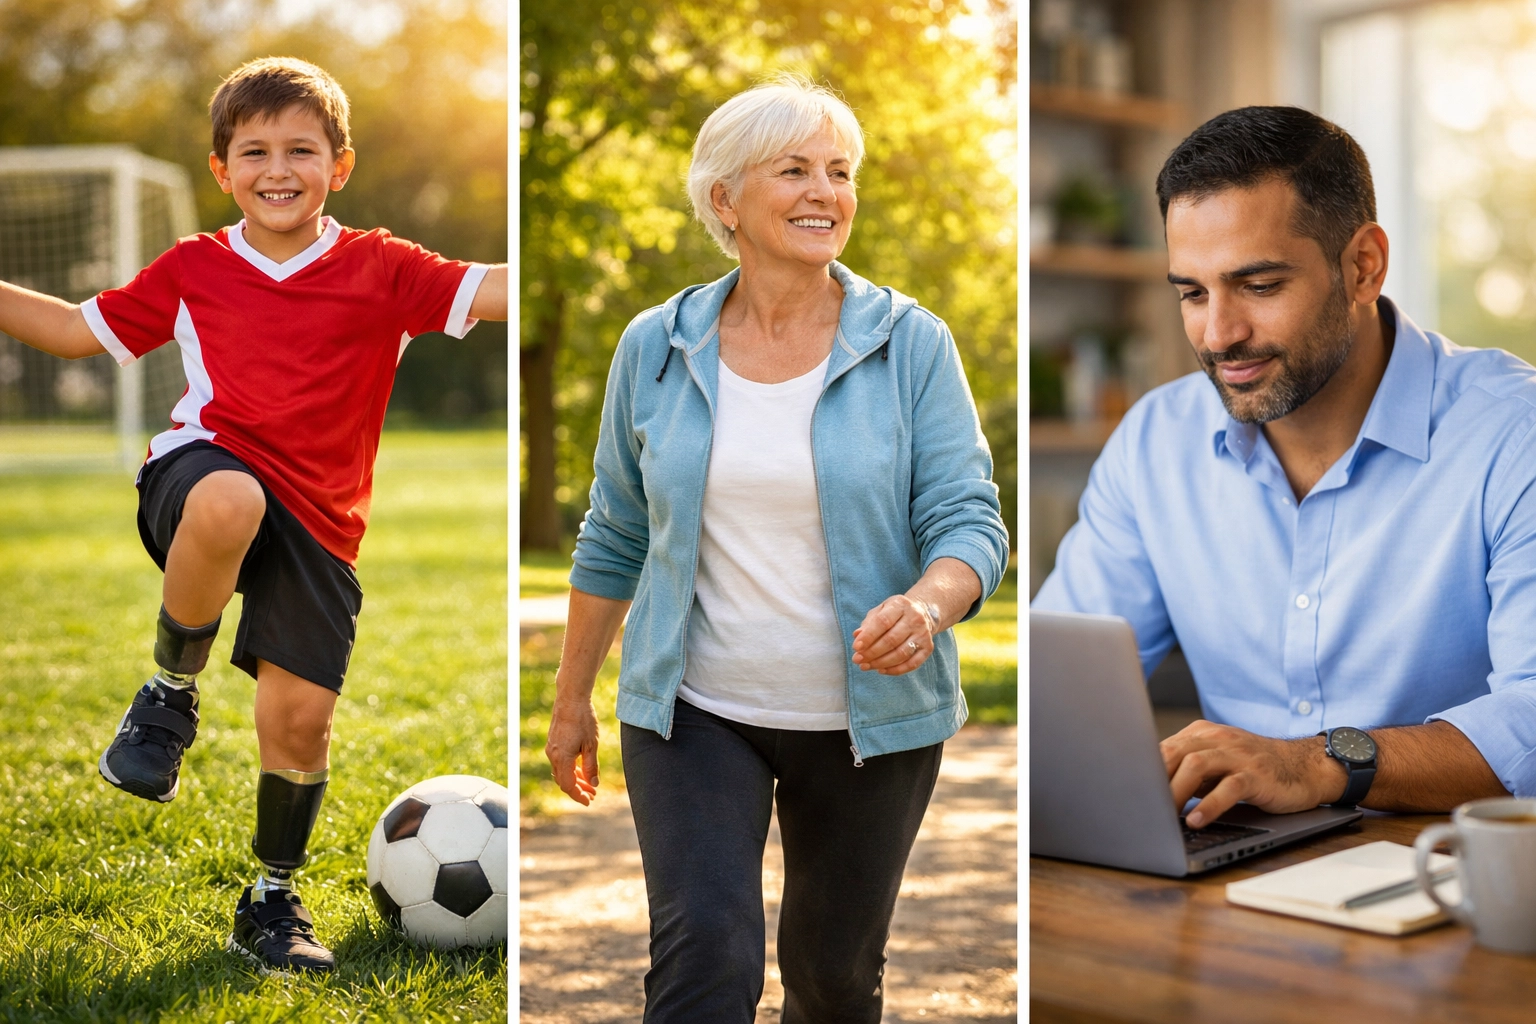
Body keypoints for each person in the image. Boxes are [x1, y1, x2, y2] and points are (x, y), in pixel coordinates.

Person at [0, 57, 507, 972]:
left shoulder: (384, 267)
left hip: (321, 525)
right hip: (200, 480)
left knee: (301, 723)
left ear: (339, 166)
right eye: (255, 150)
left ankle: (272, 899)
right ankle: (168, 693)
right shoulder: (195, 266)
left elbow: (495, 289)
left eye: (301, 150)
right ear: (222, 170)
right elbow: (76, 331)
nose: (279, 168)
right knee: (234, 496)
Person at [543, 79, 1008, 1022]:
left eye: (840, 173)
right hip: (694, 708)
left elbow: (970, 520)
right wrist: (571, 700)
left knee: (833, 977)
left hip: (870, 722)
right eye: (793, 169)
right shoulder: (656, 346)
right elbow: (615, 530)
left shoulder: (911, 344)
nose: (824, 192)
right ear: (725, 201)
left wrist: (928, 605)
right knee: (705, 956)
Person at [1033, 106, 1529, 829]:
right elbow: (1060, 691)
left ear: (1363, 266)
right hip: (1229, 871)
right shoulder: (1154, 444)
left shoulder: (1514, 432)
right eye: (1192, 293)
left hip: (1452, 873)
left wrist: (1317, 764)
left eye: (1259, 286)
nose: (1219, 335)